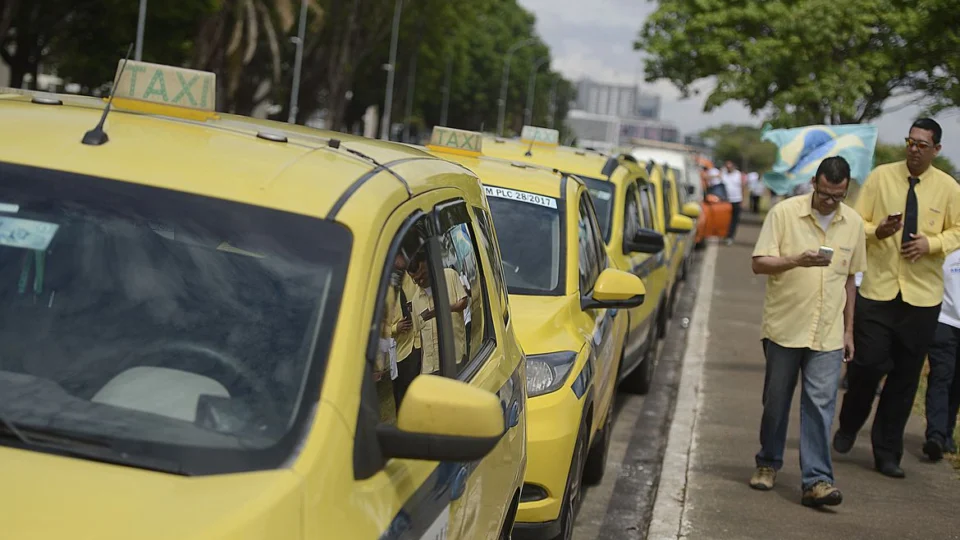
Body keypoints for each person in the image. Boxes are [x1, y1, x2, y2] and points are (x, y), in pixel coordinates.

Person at [834, 118, 960, 478]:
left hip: (921, 298)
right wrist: (879, 231)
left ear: (936, 150)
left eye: (923, 145)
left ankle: (887, 451)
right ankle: (849, 422)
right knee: (868, 365)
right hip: (878, 290)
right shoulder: (881, 177)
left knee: (905, 378)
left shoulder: (949, 188)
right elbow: (856, 221)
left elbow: (958, 230)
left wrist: (931, 244)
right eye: (911, 142)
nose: (914, 149)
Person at [749, 156, 866, 508]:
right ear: (814, 183)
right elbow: (758, 263)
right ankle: (768, 462)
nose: (831, 202)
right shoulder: (784, 213)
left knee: (820, 406)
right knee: (776, 402)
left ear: (846, 191)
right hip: (785, 327)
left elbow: (850, 280)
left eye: (839, 196)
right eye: (826, 194)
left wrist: (849, 331)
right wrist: (796, 260)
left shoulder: (854, 223)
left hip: (828, 332)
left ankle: (817, 481)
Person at [923, 248, 960, 459]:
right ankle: (935, 436)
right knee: (941, 376)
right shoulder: (947, 249)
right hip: (944, 321)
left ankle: (947, 432)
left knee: (956, 383)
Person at [407, 251, 469, 375]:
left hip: (454, 357)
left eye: (423, 275)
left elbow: (464, 303)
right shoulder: (415, 301)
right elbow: (420, 339)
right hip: (431, 367)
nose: (421, 281)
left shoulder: (450, 276)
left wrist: (441, 311)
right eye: (416, 280)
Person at [721, 160, 745, 245]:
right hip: (726, 201)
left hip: (736, 200)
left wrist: (743, 199)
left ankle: (730, 236)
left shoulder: (738, 175)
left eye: (730, 166)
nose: (728, 168)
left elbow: (743, 187)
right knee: (725, 219)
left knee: (734, 220)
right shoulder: (723, 174)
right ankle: (724, 234)